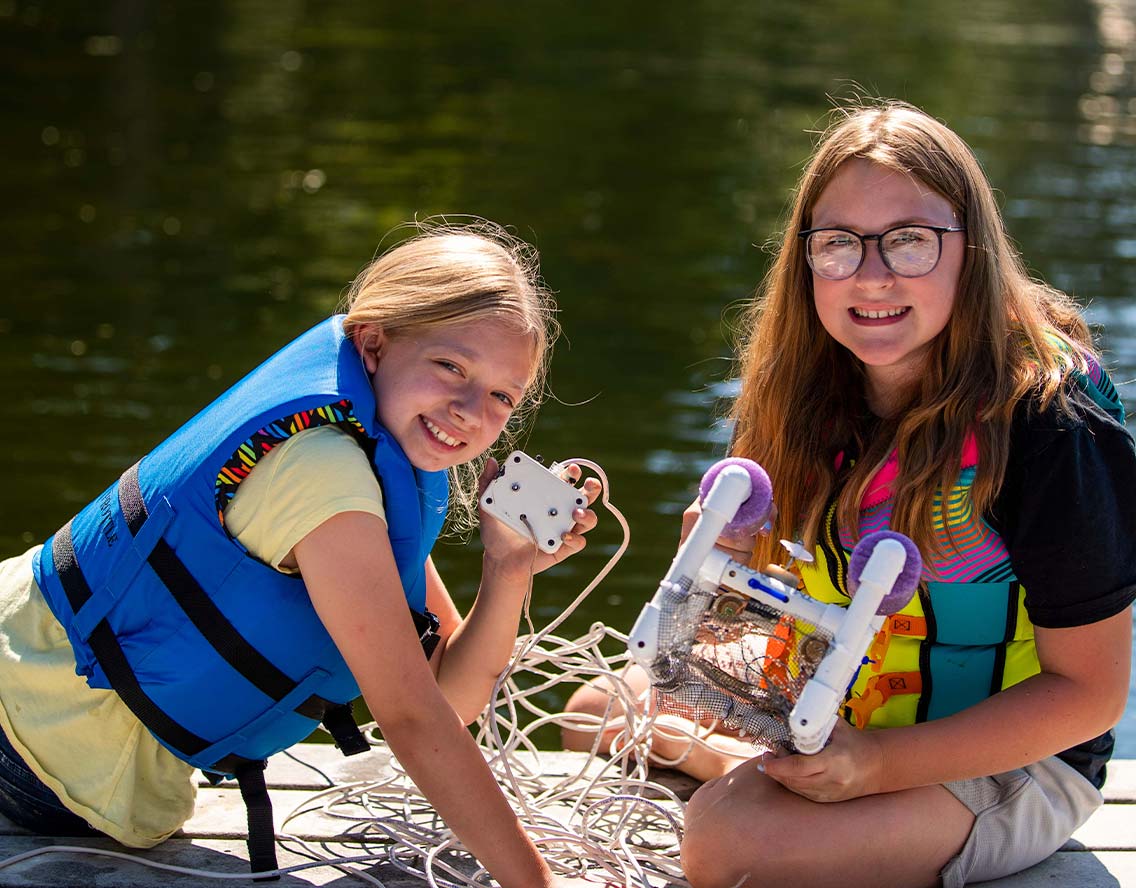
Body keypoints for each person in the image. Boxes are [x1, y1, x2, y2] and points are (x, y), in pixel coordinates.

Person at [564, 101, 1136, 888]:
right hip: (844, 702)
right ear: (806, 257)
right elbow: (791, 601)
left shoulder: (1048, 424)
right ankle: (801, 780)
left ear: (971, 249)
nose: (872, 276)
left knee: (730, 844)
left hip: (1014, 757)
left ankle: (797, 795)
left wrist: (873, 765)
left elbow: (1090, 695)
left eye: (909, 241)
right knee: (600, 708)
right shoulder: (801, 387)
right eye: (839, 244)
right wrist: (728, 563)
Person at [0, 220, 604, 887]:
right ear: (373, 343)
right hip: (30, 743)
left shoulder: (379, 462)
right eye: (451, 367)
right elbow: (410, 717)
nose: (469, 410)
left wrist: (507, 569)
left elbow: (447, 699)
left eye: (500, 396)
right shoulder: (324, 474)